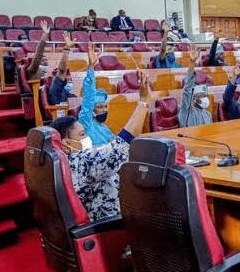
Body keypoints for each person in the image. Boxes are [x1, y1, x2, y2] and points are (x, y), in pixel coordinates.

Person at [49, 64, 154, 221]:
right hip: (109, 222)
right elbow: (120, 146)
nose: (87, 138)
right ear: (65, 144)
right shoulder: (79, 161)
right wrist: (143, 102)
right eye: (82, 134)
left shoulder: (66, 161)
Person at [179, 48, 213, 127]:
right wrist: (192, 62)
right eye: (201, 96)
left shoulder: (208, 115)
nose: (204, 98)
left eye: (205, 95)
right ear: (194, 98)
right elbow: (187, 88)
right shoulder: (187, 110)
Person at [48, 32, 76, 105]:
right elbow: (62, 70)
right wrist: (67, 48)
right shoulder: (56, 87)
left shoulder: (64, 90)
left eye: (70, 80)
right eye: (68, 79)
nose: (69, 82)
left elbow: (75, 98)